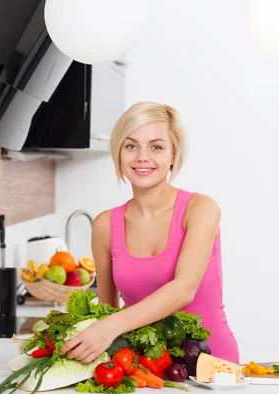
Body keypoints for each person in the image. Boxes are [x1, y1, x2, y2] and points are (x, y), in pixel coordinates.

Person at [59, 101, 240, 364]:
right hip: (146, 371)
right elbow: (108, 309)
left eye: (156, 147)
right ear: (118, 153)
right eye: (131, 146)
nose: (142, 157)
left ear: (173, 156)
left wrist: (108, 327)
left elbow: (183, 290)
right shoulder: (105, 226)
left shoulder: (200, 209)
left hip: (214, 368)